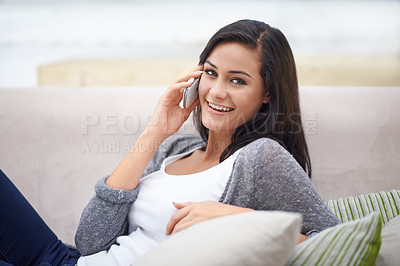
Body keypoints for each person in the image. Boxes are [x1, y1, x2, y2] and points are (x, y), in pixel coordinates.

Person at [0, 19, 340, 266]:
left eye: (237, 80)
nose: (216, 91)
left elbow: (334, 247)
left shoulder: (262, 158)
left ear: (267, 94)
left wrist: (240, 219)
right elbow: (89, 242)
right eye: (210, 73)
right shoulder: (173, 150)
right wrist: (155, 132)